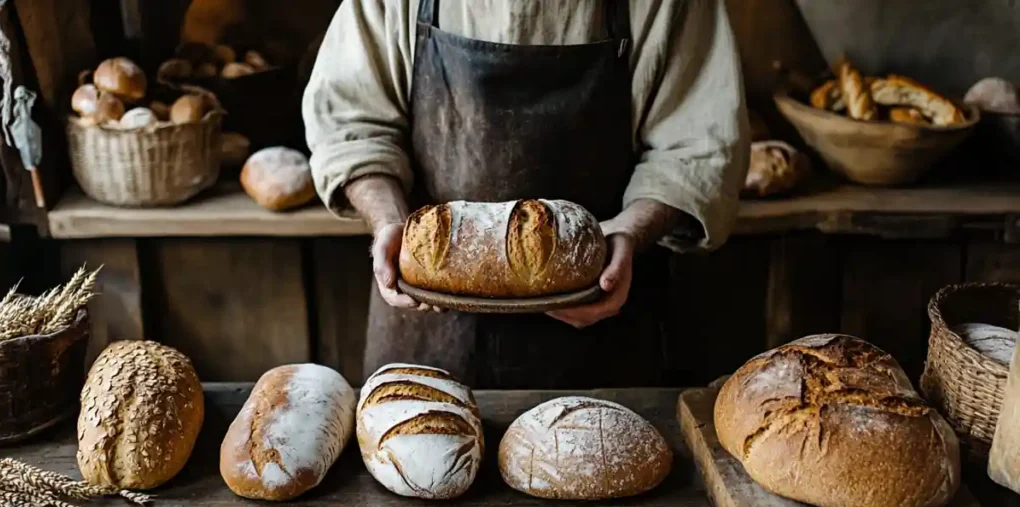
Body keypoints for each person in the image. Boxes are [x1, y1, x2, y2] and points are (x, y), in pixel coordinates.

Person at [303, 0, 748, 391]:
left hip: (602, 340)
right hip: (423, 341)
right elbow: (352, 126)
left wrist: (629, 232)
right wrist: (388, 223)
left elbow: (696, 147)